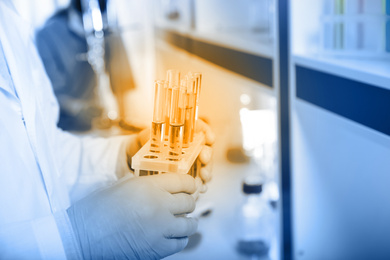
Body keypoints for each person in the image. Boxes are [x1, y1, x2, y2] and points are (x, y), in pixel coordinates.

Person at [0, 0, 215, 259]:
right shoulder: (48, 34)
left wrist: (125, 155)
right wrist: (77, 239)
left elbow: (43, 153)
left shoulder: (9, 20)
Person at [36, 0, 136, 131]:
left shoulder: (107, 29)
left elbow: (121, 79)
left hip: (99, 122)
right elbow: (50, 91)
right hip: (66, 127)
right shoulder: (47, 36)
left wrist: (122, 119)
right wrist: (79, 108)